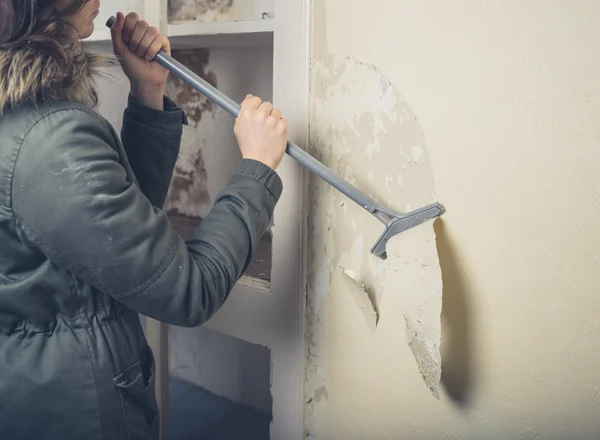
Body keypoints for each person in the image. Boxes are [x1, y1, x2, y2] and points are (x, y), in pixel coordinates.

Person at [0, 1, 288, 439]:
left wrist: (148, 92)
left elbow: (116, 236)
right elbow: (189, 289)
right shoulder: (48, 139)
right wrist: (257, 168)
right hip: (80, 411)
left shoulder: (23, 117)